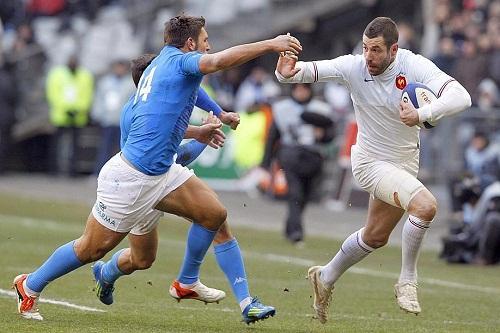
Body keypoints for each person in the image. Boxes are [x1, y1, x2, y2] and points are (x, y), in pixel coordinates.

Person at [12, 14, 301, 322]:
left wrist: (216, 114)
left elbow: (189, 92)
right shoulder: (178, 66)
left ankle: (190, 283)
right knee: (91, 249)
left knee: (209, 218)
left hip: (160, 174)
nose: (208, 46)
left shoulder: (163, 63)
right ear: (190, 43)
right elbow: (215, 66)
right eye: (205, 41)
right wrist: (271, 44)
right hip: (132, 180)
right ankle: (29, 285)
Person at [275, 16, 471, 323]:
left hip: (404, 163)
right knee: (426, 207)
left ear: (394, 49)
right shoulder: (354, 66)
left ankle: (325, 276)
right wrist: (285, 71)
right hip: (369, 163)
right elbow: (302, 72)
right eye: (366, 48)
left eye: (376, 50)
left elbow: (462, 97)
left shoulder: (413, 65)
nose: (369, 56)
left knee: (375, 236)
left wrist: (423, 112)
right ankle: (407, 281)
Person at [93, 53, 277, 323]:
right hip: (140, 188)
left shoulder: (157, 107)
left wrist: (208, 129)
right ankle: (106, 274)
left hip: (162, 179)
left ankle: (245, 302)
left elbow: (175, 155)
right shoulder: (140, 115)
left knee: (210, 222)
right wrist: (205, 135)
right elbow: (180, 156)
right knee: (134, 255)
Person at [262, 83, 334, 244]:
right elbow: (273, 136)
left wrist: (322, 136)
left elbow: (331, 135)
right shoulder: (282, 108)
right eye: (298, 89)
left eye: (304, 89)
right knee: (295, 193)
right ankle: (296, 232)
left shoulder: (321, 109)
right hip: (291, 154)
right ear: (293, 90)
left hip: (313, 155)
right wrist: (266, 161)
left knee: (305, 196)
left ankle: (290, 226)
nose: (301, 92)